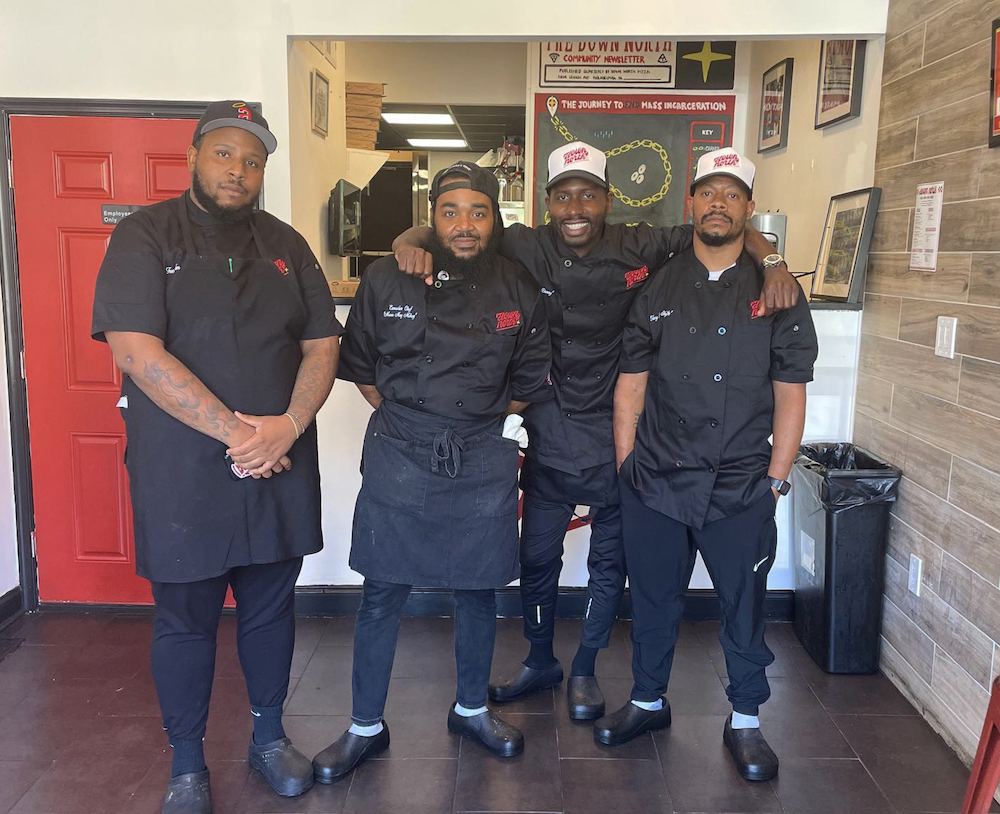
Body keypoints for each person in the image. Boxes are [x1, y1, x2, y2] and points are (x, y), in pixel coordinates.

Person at [392, 142, 799, 721]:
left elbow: (724, 229)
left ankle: (584, 664)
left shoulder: (641, 243)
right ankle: (539, 659)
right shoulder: (522, 241)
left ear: (607, 200)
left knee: (612, 561)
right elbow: (455, 229)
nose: (575, 207)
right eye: (563, 196)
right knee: (536, 556)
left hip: (616, 427)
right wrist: (409, 241)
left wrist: (775, 261)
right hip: (548, 423)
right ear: (547, 203)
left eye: (588, 194)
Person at [91, 101, 342, 814]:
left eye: (254, 159)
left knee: (270, 609)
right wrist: (242, 435)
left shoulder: (286, 243)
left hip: (280, 462)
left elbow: (322, 344)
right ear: (195, 155)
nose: (239, 169)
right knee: (185, 620)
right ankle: (186, 765)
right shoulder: (145, 235)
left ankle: (268, 739)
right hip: (185, 473)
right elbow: (136, 351)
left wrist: (288, 427)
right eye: (225, 153)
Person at [311, 161, 552, 783]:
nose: (465, 225)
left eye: (478, 211)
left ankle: (471, 708)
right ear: (432, 216)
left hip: (482, 453)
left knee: (479, 588)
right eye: (451, 211)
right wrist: (413, 424)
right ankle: (366, 724)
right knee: (382, 590)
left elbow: (527, 380)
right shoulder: (389, 278)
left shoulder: (519, 286)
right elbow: (361, 366)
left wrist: (472, 427)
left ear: (495, 219)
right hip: (400, 448)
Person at [601, 148, 818, 782]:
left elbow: (790, 393)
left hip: (741, 484)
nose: (718, 202)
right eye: (708, 192)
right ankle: (647, 700)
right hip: (657, 479)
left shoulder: (777, 292)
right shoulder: (658, 286)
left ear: (748, 209)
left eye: (732, 193)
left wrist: (775, 481)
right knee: (653, 599)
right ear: (689, 202)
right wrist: (626, 468)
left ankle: (746, 718)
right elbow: (631, 385)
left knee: (744, 604)